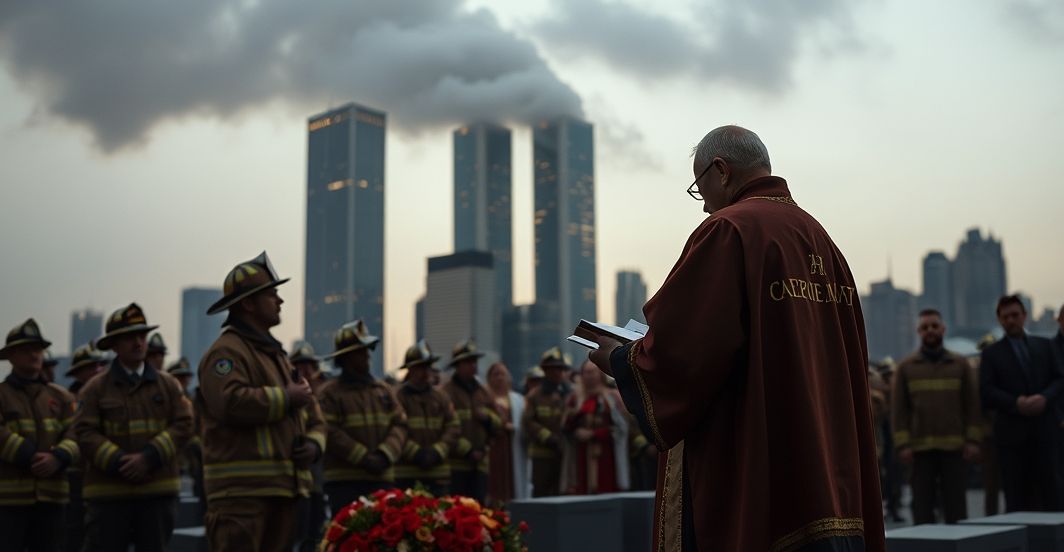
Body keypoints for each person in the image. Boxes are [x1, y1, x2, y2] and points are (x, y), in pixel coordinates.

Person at [590, 126, 884, 551]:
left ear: (721, 170)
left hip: (757, 462)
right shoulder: (821, 239)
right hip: (825, 464)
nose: (703, 205)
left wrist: (621, 361)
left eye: (699, 187)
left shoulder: (729, 229)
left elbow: (686, 350)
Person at [197, 252, 326, 552]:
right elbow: (229, 402)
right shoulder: (226, 353)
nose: (280, 300)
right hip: (241, 496)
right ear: (248, 304)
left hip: (283, 489)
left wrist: (314, 445)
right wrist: (286, 397)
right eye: (271, 294)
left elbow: (311, 413)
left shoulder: (276, 356)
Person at [74, 303, 194, 551]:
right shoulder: (94, 389)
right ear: (114, 345)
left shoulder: (169, 385)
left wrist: (149, 457)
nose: (138, 342)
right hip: (109, 495)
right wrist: (119, 462)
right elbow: (84, 432)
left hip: (157, 492)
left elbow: (185, 424)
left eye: (142, 336)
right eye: (130, 337)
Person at [891, 309, 981, 524]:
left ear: (943, 329)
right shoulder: (905, 367)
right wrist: (903, 445)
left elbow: (972, 405)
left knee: (956, 509)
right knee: (922, 508)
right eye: (925, 327)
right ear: (918, 332)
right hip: (919, 450)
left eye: (934, 326)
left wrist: (973, 440)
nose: (930, 330)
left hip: (954, 448)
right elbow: (899, 410)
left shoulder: (961, 365)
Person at [0, 319, 79, 552]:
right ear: (11, 356)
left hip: (52, 497)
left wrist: (60, 457)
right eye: (26, 349)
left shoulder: (63, 397)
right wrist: (31, 456)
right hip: (8, 500)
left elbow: (77, 432)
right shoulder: (2, 394)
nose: (34, 354)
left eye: (37, 349)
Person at [980, 295, 1064, 512]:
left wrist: (1044, 397)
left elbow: (1059, 378)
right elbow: (987, 392)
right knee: (1017, 498)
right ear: (999, 320)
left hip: (1045, 433)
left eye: (1015, 315)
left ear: (1024, 316)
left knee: (1052, 494)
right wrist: (1015, 403)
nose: (1011, 320)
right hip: (1012, 437)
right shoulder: (991, 354)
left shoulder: (1045, 345)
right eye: (1005, 317)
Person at [318, 320, 407, 514]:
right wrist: (363, 458)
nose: (367, 356)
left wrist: (385, 454)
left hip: (382, 478)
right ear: (345, 358)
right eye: (360, 352)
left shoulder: (383, 390)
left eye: (367, 350)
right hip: (344, 482)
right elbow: (330, 431)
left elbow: (400, 425)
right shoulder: (329, 394)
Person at [393, 340, 459, 496]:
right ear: (410, 370)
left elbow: (453, 426)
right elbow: (394, 429)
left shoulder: (441, 397)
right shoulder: (397, 397)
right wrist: (415, 453)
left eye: (427, 367)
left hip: (438, 474)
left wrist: (438, 451)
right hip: (406, 474)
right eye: (419, 367)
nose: (425, 372)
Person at [442, 339, 501, 502]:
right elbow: (444, 428)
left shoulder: (483, 392)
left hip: (480, 465)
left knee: (479, 508)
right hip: (456, 466)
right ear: (457, 365)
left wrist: (487, 418)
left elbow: (499, 422)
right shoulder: (446, 393)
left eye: (474, 361)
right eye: (468, 362)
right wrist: (468, 451)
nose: (473, 365)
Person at [561, 360, 630, 495]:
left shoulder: (612, 397)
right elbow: (566, 427)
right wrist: (576, 426)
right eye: (586, 372)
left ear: (600, 374)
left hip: (607, 454)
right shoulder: (574, 399)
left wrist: (595, 434)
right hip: (580, 455)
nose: (589, 376)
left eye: (593, 372)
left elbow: (621, 428)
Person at [63, 342, 107, 552]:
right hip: (75, 477)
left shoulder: (109, 398)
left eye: (100, 365)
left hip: (103, 475)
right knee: (74, 532)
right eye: (91, 367)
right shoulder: (67, 401)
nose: (98, 370)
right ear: (77, 373)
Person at [288, 343, 326, 552]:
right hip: (290, 482)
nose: (307, 371)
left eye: (310, 366)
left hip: (315, 482)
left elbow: (319, 426)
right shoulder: (287, 393)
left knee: (315, 535)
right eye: (301, 366)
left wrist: (314, 443)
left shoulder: (312, 399)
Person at [522, 347, 571, 498]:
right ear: (545, 370)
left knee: (562, 492)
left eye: (560, 369)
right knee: (541, 492)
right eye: (553, 369)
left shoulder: (569, 393)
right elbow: (528, 422)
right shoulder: (534, 395)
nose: (558, 372)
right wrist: (548, 437)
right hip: (542, 454)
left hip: (565, 452)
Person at [485, 362, 529, 502]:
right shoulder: (484, 399)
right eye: (495, 374)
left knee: (512, 479)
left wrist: (514, 427)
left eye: (502, 374)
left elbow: (525, 423)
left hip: (512, 446)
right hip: (492, 448)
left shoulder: (518, 400)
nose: (499, 378)